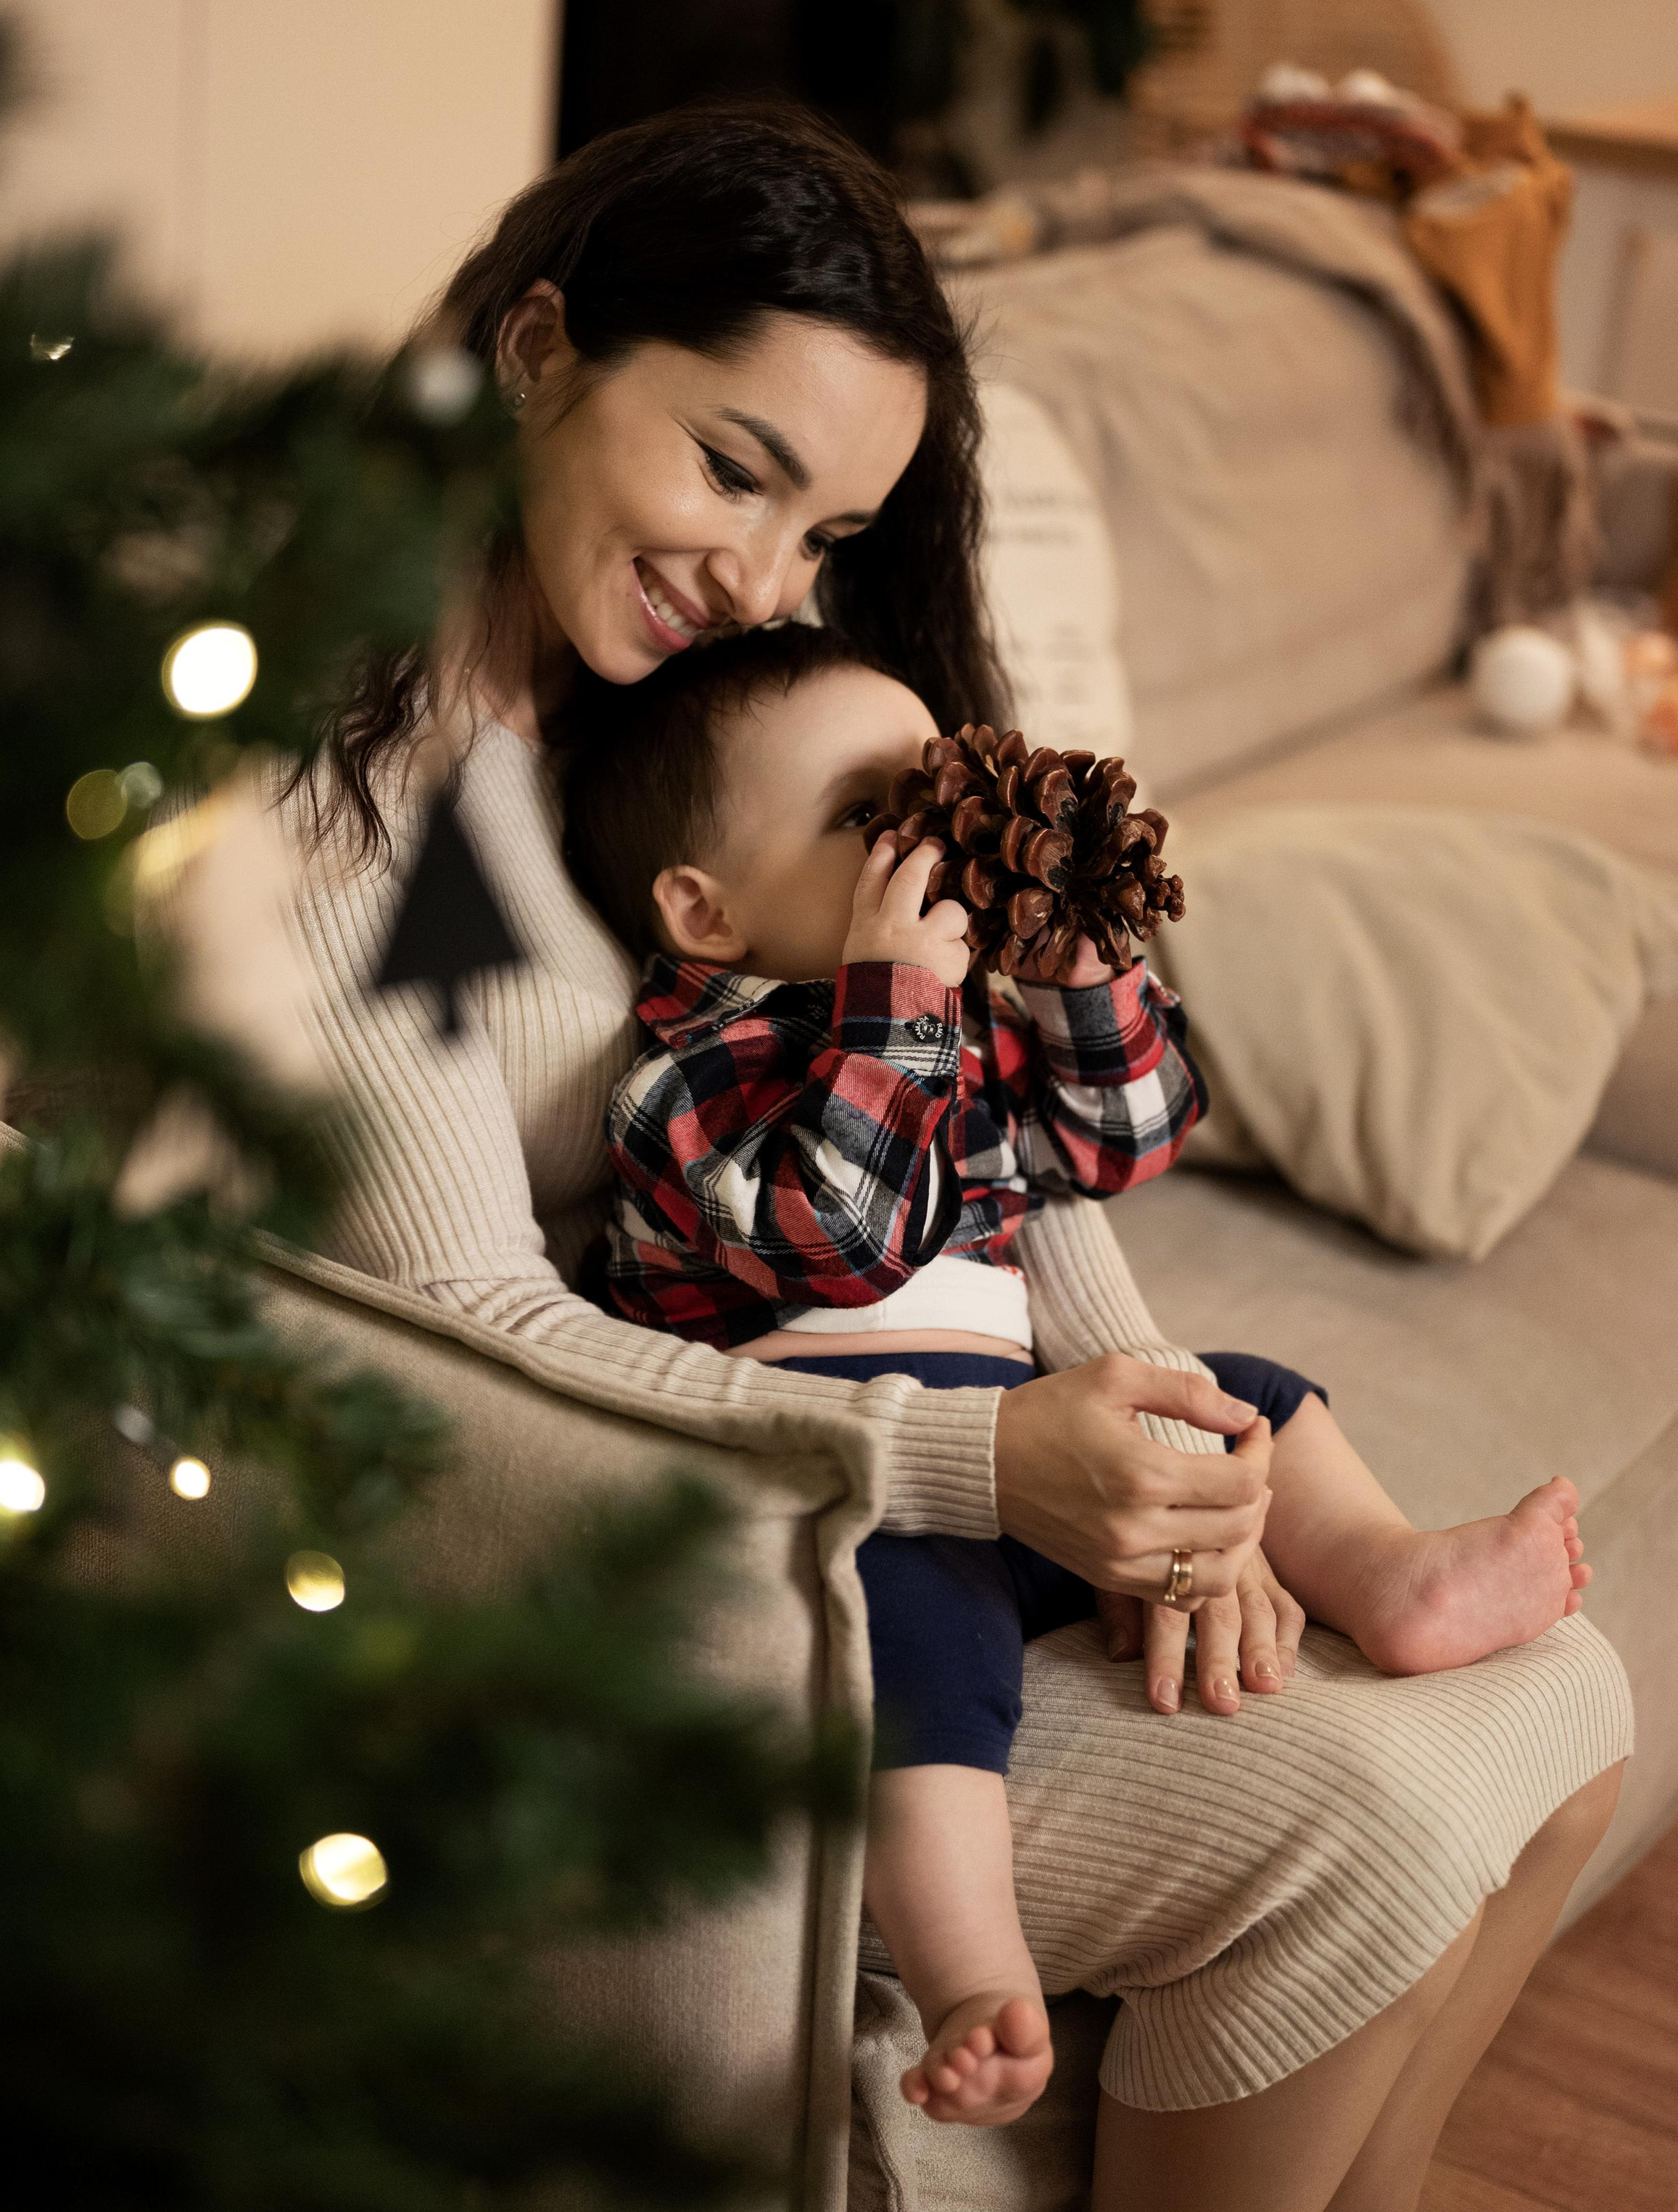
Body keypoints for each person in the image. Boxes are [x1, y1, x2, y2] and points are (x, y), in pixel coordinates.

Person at [277, 101, 1643, 2212]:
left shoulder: (689, 726)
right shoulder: (354, 821)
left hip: (832, 1419)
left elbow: (968, 1143)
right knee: (1368, 1814)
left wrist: (1152, 1439)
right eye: (731, 464)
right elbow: (469, 1335)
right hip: (646, 1558)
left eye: (828, 529)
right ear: (533, 348)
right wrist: (987, 1454)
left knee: (1567, 1683)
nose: (765, 574)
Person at [560, 623, 1591, 2130]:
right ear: (700, 912)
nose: (924, 842)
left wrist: (1082, 963)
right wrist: (897, 1010)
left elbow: (1124, 1143)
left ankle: (1391, 1576)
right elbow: (837, 1240)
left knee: (1243, 1390)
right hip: (849, 1498)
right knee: (918, 1643)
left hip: (1030, 1461)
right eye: (865, 819)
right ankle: (969, 1967)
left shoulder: (958, 1033)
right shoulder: (690, 1071)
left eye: (931, 799)